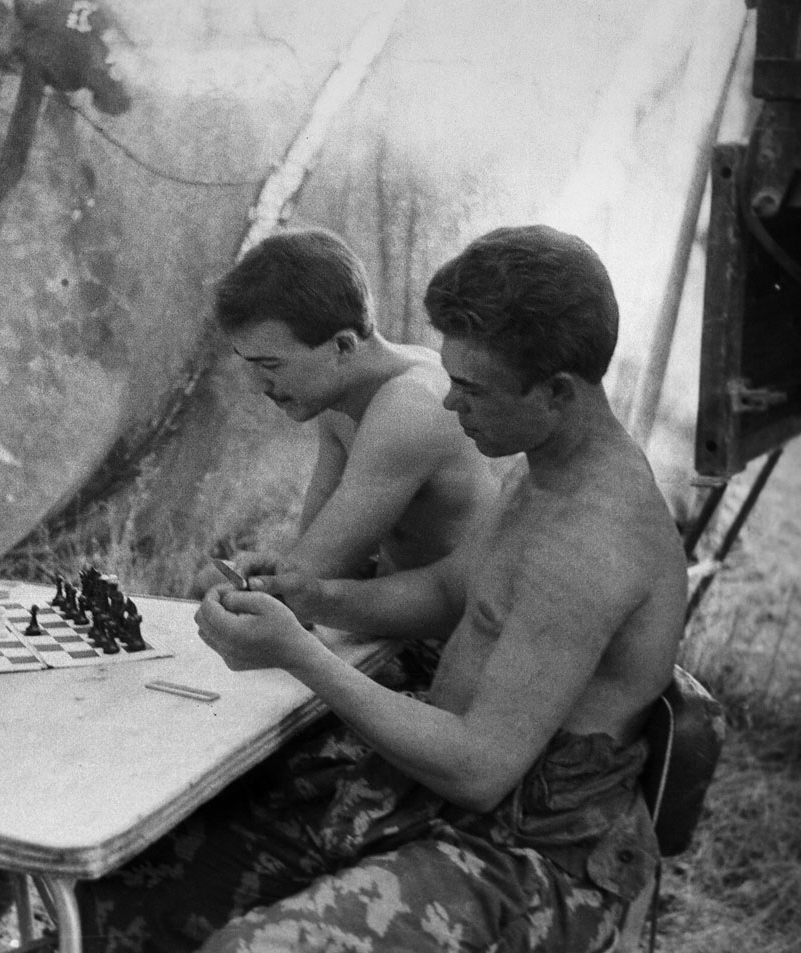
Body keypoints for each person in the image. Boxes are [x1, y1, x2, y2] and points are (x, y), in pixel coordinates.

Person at [77, 225, 687, 952]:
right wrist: (313, 599)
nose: (450, 406)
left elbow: (478, 767)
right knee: (120, 886)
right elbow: (445, 592)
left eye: (472, 389)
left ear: (557, 391)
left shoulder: (592, 538)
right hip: (429, 794)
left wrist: (300, 652)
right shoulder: (541, 467)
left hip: (531, 858)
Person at [195, 228, 498, 593]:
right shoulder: (341, 398)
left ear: (342, 345)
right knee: (214, 582)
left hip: (448, 634)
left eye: (271, 366)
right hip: (394, 611)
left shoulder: (410, 406)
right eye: (250, 364)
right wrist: (281, 566)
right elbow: (313, 550)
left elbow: (308, 577)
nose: (260, 386)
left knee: (216, 592)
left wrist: (284, 576)